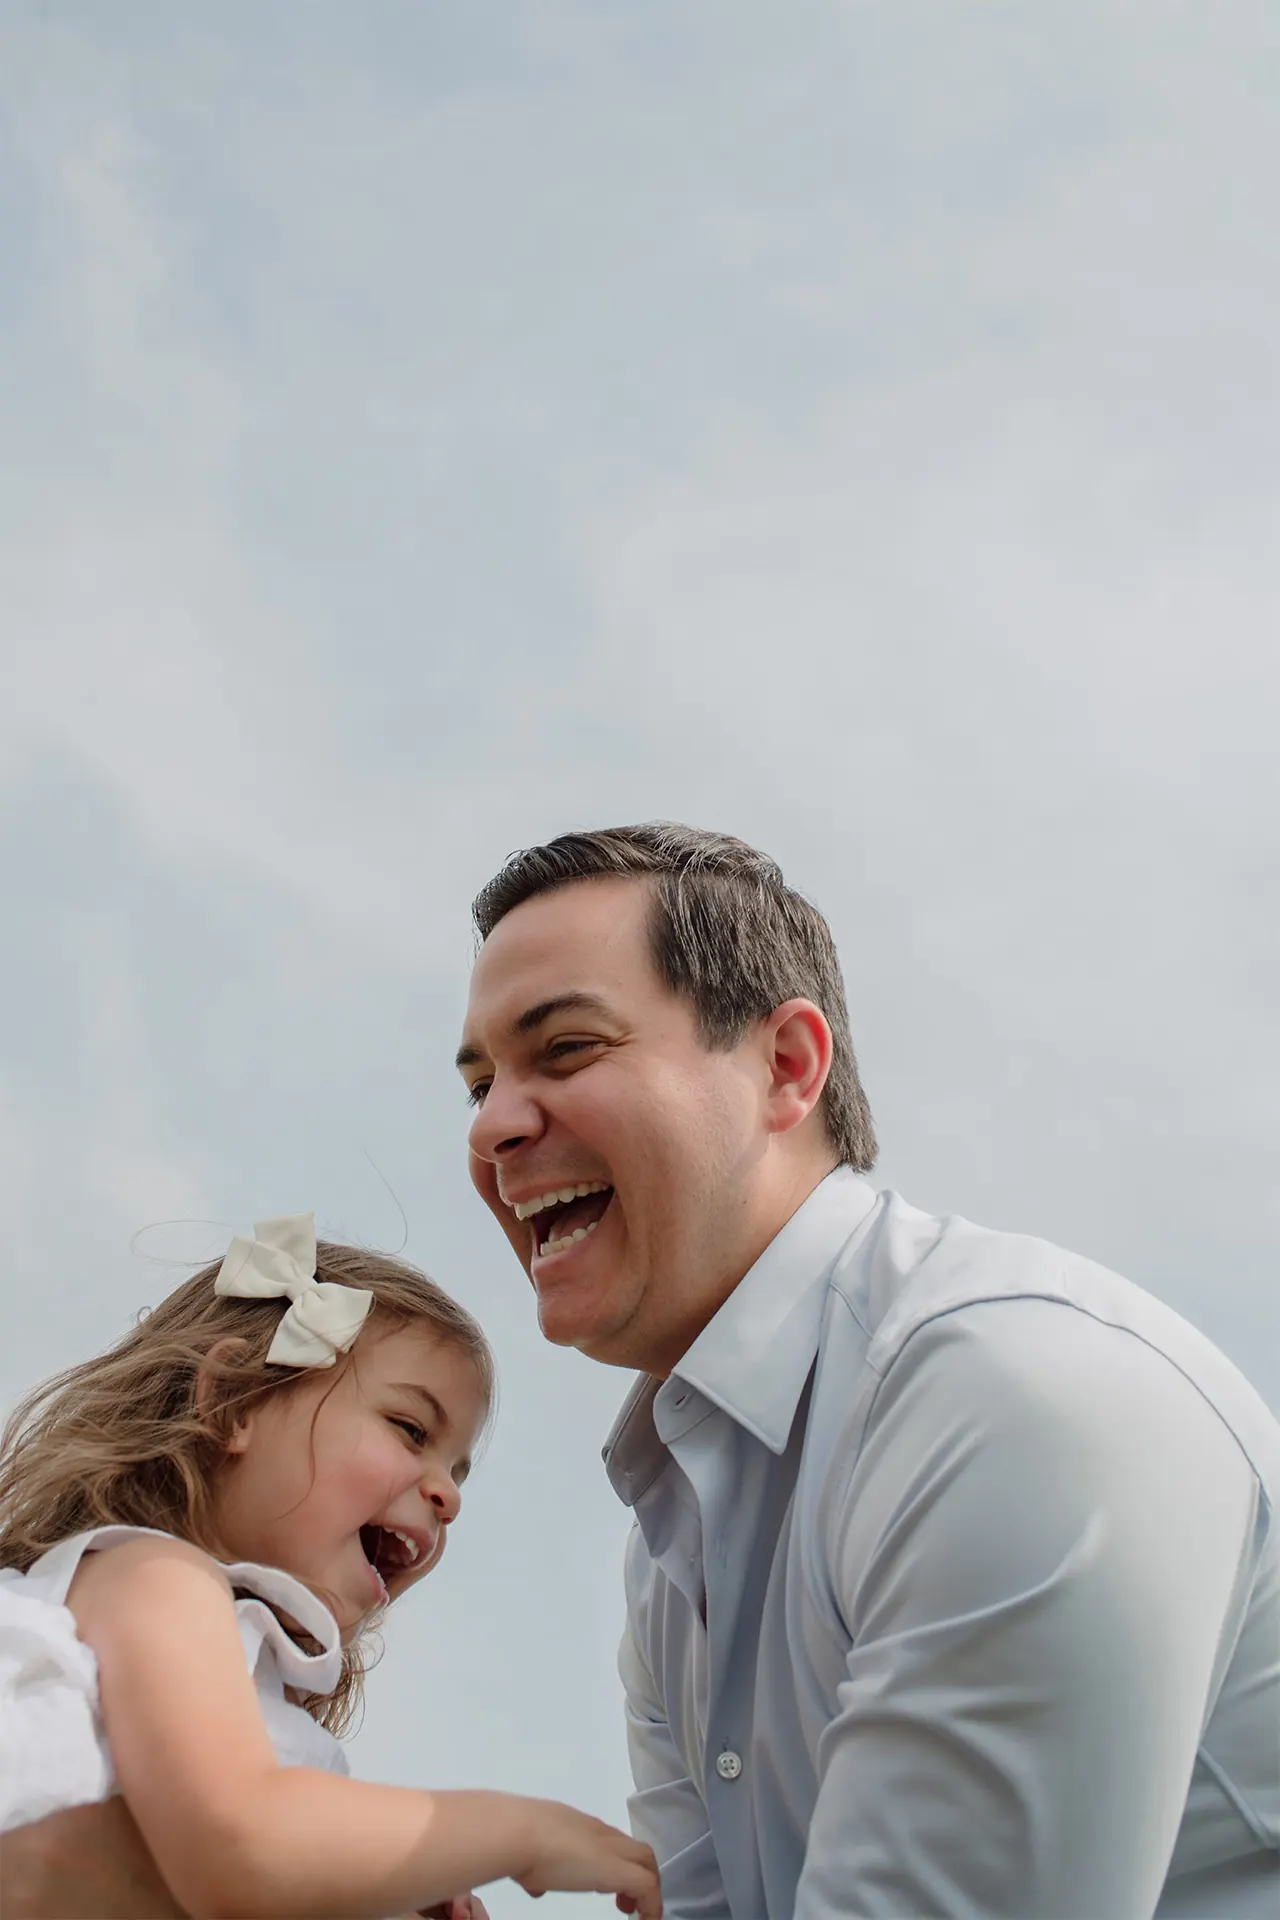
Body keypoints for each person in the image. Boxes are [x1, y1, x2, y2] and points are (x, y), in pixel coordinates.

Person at [455, 823, 1280, 1918]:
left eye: (565, 1050)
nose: (494, 1128)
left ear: (786, 1068)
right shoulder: (667, 1554)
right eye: (479, 1085)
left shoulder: (1006, 1398)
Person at [0, 1214, 662, 1920]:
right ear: (232, 1404)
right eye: (411, 1429)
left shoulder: (242, 1692)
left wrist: (374, 1881)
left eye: (457, 1470)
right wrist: (518, 1834)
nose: (449, 1495)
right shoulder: (155, 1579)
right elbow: (241, 1849)